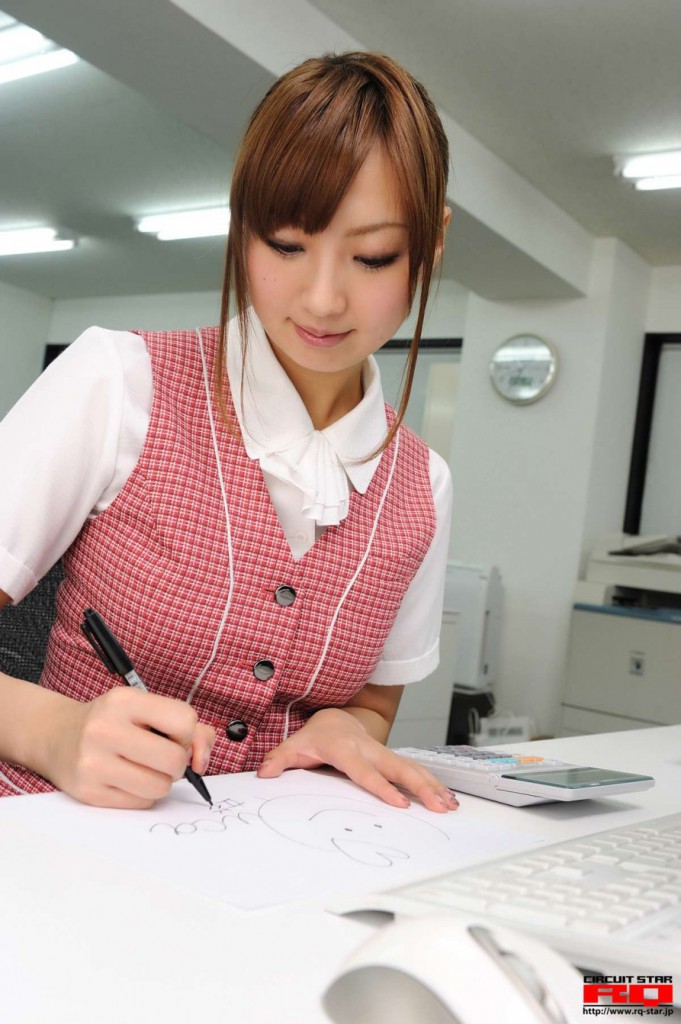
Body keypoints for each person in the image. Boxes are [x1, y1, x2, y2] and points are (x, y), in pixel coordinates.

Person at [0, 51, 458, 815]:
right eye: (285, 244)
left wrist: (344, 726)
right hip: (49, 839)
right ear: (241, 225)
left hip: (274, 865)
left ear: (430, 244)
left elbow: (374, 701)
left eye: (372, 256)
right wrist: (53, 732)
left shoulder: (422, 484)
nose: (323, 299)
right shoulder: (118, 381)